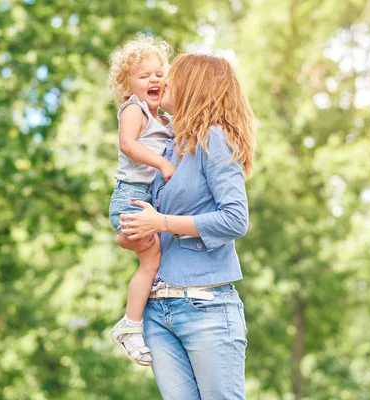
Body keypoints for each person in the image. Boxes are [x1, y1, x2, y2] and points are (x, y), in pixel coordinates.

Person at [117, 53, 256, 399]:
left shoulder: (216, 139)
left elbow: (236, 219)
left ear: (192, 86)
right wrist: (133, 233)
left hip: (205, 307)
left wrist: (161, 221)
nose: (163, 82)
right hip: (158, 311)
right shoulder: (168, 147)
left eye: (171, 76)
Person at [106, 33, 175, 366]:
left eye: (158, 74)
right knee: (151, 261)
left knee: (154, 261)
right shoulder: (134, 110)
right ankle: (130, 327)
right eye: (144, 76)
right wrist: (162, 162)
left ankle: (137, 321)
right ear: (127, 85)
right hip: (131, 197)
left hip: (148, 201)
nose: (153, 80)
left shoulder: (164, 120)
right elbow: (128, 145)